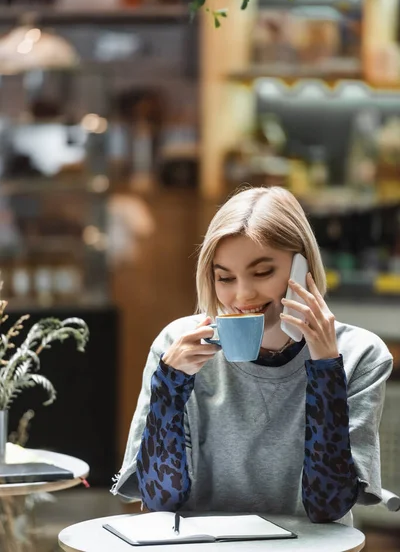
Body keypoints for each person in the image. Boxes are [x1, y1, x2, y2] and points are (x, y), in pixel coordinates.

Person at [111, 186, 393, 525]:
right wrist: (170, 385)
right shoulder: (176, 346)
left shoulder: (360, 354)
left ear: (301, 267)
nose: (242, 295)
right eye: (225, 278)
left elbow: (327, 505)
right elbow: (160, 498)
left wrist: (325, 368)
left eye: (262, 272)